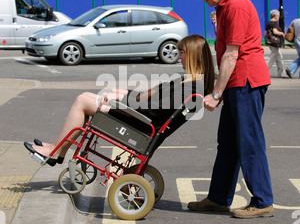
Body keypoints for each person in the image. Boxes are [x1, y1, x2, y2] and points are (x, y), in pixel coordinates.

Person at [24, 34, 215, 166]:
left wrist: (115, 106)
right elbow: (148, 97)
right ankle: (57, 150)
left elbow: (152, 111)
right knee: (88, 97)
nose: (178, 56)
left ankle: (55, 152)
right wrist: (120, 94)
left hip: (140, 126)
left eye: (182, 52)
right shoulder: (187, 81)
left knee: (82, 100)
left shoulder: (188, 87)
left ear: (192, 56)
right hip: (139, 120)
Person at [188, 0, 274, 219]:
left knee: (249, 142)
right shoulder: (224, 7)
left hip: (246, 80)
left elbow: (232, 53)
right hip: (238, 82)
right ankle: (218, 198)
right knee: (227, 143)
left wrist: (215, 93)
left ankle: (262, 201)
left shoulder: (235, 5)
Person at [264, 9, 285, 77]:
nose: (279, 17)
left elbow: (265, 34)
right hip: (275, 43)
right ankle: (264, 71)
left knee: (279, 57)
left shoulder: (269, 23)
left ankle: (281, 73)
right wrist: (281, 33)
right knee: (272, 57)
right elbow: (275, 32)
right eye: (278, 15)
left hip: (270, 42)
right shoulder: (275, 23)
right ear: (275, 16)